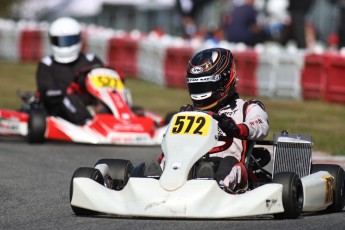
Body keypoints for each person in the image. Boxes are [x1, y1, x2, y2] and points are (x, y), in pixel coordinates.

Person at [179, 47, 269, 192]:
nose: (201, 91)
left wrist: (236, 128)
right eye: (197, 86)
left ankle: (216, 187)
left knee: (228, 163)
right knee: (170, 161)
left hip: (230, 165)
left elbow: (261, 126)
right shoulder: (189, 112)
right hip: (190, 163)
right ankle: (156, 178)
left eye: (206, 85)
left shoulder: (246, 108)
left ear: (225, 80)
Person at [35, 17, 103, 125]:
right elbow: (47, 92)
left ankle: (127, 118)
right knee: (66, 98)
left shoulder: (91, 60)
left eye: (69, 41)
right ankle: (87, 123)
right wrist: (69, 92)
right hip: (59, 108)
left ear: (78, 39)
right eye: (59, 41)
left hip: (90, 102)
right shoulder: (47, 64)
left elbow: (103, 82)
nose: (64, 45)